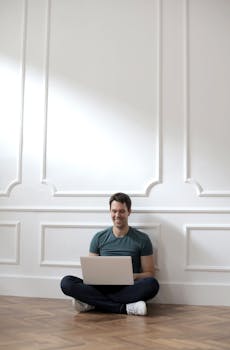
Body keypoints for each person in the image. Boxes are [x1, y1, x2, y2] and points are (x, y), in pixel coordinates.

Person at [60, 192, 159, 316]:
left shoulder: (142, 239)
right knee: (66, 282)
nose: (117, 215)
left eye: (122, 211)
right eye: (114, 211)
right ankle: (125, 308)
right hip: (102, 287)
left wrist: (132, 276)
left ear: (129, 212)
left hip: (128, 287)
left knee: (152, 285)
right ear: (110, 211)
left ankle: (92, 303)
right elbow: (92, 272)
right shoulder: (99, 237)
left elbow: (150, 274)